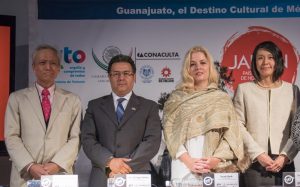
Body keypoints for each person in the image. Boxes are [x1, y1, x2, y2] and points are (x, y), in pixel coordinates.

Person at [163, 46, 249, 182]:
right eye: (193, 64)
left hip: (216, 167)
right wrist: (189, 161)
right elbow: (169, 132)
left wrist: (215, 160)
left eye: (203, 63)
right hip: (183, 165)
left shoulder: (222, 98)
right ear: (187, 69)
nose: (198, 67)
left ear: (210, 66)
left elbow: (232, 135)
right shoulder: (176, 98)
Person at [4, 44, 81, 187]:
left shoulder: (72, 100)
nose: (48, 67)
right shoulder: (16, 98)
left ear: (58, 68)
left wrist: (56, 164)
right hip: (26, 175)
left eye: (53, 63)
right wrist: (30, 165)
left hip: (60, 174)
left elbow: (75, 138)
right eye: (42, 62)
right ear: (33, 67)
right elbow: (11, 136)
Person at [81, 54, 162, 187]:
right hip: (103, 174)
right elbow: (87, 140)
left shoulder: (149, 107)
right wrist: (109, 162)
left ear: (134, 77)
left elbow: (152, 142)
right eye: (116, 74)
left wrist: (123, 166)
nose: (121, 78)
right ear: (109, 77)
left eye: (126, 73)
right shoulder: (94, 106)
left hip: (137, 174)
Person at [233, 41, 299, 186]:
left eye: (270, 57)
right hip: (254, 163)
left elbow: (297, 129)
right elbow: (237, 125)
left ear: (278, 61)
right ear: (254, 62)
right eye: (260, 58)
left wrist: (285, 156)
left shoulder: (292, 90)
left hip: (284, 163)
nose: (265, 62)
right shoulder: (244, 90)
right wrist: (258, 154)